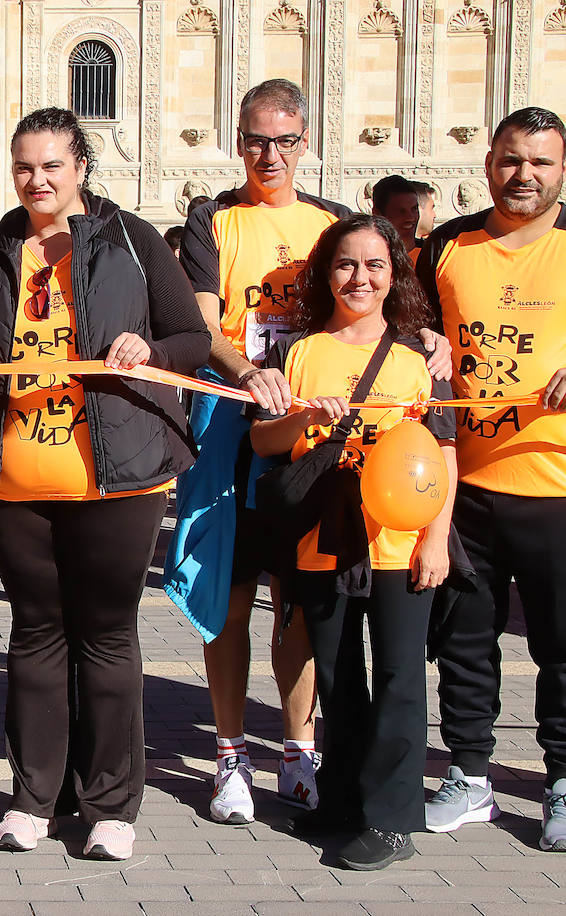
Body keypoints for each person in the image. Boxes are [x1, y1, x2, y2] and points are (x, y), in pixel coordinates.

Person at [0, 107, 209, 860]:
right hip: (19, 474)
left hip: (116, 477)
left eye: (52, 165)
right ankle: (33, 798)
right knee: (34, 636)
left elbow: (189, 338)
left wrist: (146, 345)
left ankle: (111, 805)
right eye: (25, 166)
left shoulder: (131, 240)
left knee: (106, 636)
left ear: (81, 167)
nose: (37, 180)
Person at [165, 79, 350, 825]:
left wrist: (424, 333)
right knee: (229, 599)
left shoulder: (333, 221)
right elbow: (203, 321)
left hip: (310, 434)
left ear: (305, 143)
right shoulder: (213, 219)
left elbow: (363, 305)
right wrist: (250, 374)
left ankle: (299, 751)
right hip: (230, 429)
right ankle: (231, 753)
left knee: (299, 601)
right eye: (254, 140)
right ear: (237, 141)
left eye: (282, 140)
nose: (267, 154)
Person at [252, 214, 457, 870]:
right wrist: (304, 416)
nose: (358, 278)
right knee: (338, 678)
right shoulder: (299, 350)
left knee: (399, 678)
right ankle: (342, 801)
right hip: (325, 537)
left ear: (395, 274)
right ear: (326, 272)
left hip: (399, 543)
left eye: (374, 265)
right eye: (345, 264)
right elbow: (263, 441)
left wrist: (437, 539)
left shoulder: (419, 355)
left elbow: (444, 450)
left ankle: (394, 818)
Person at [418, 106, 566, 852]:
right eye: (512, 159)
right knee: (467, 642)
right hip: (466, 483)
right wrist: (424, 340)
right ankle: (470, 774)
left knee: (561, 647)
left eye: (539, 161)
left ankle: (561, 781)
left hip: (558, 485)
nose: (524, 175)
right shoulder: (450, 245)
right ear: (488, 164)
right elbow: (405, 321)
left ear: (561, 167)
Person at [371, 175, 423, 255]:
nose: (410, 218)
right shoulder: (366, 256)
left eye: (414, 209)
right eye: (401, 211)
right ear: (378, 214)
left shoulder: (432, 254)